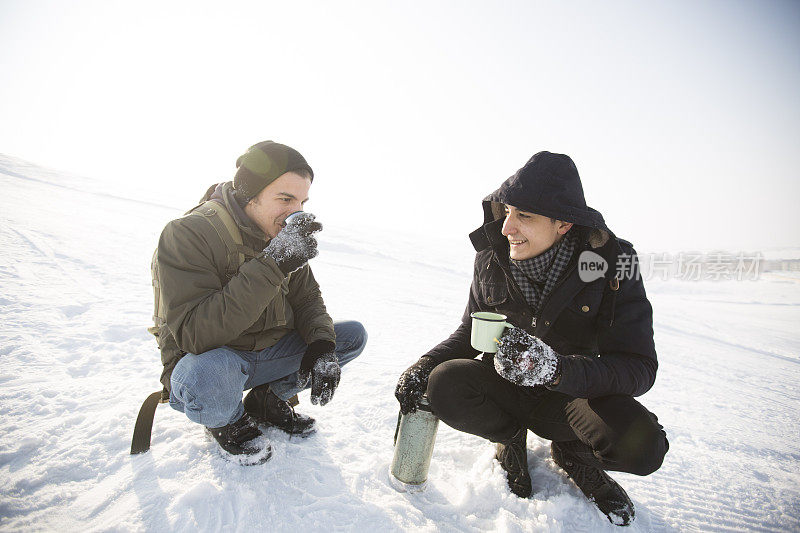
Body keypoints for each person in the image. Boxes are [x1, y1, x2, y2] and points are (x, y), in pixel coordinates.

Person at [395, 151, 667, 526]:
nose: (507, 228)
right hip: (505, 388)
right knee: (445, 382)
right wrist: (425, 363)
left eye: (525, 216)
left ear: (564, 224)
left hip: (572, 398)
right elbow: (471, 333)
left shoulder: (613, 263)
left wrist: (557, 370)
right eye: (507, 211)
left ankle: (574, 456)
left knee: (643, 447)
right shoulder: (492, 256)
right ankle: (509, 439)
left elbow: (639, 367)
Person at [153, 140, 367, 465]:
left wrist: (322, 347)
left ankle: (266, 401)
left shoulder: (279, 234)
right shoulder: (190, 233)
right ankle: (226, 420)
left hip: (265, 353)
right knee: (205, 377)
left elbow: (307, 299)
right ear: (250, 194)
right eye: (285, 198)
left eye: (302, 201)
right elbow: (195, 335)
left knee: (348, 336)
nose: (296, 212)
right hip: (212, 362)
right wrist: (274, 265)